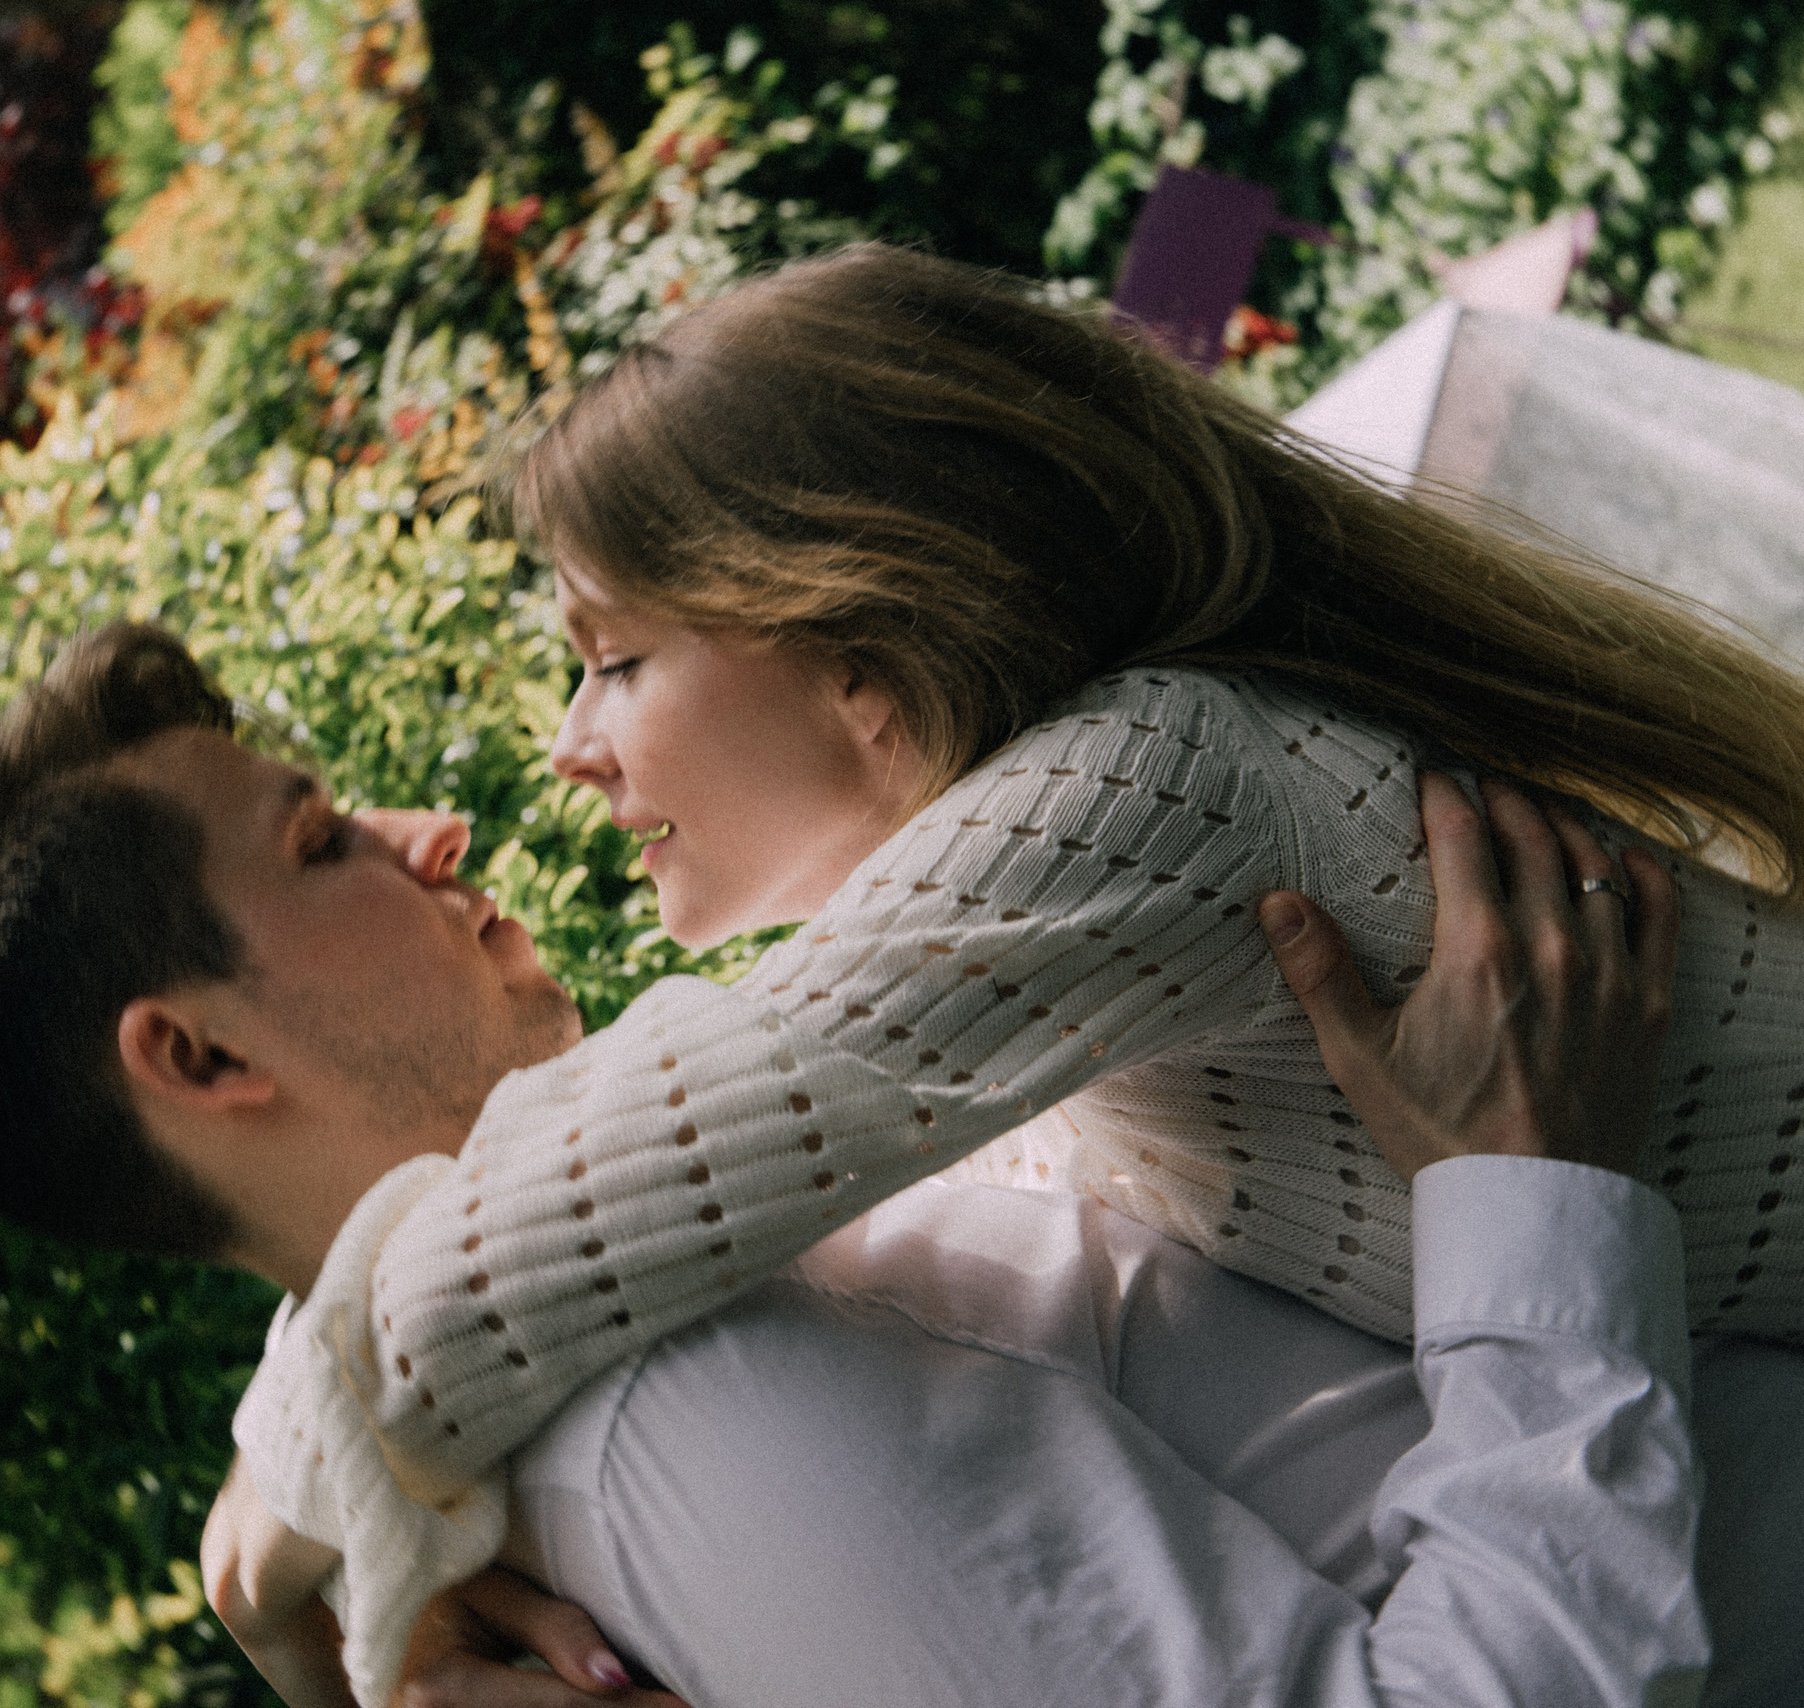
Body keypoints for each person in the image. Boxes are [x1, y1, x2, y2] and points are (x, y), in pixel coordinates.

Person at [228, 244, 1804, 1692]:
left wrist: (271, 1546)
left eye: (616, 660)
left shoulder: (1146, 790)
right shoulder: (1077, 967)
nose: (570, 745)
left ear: (855, 648)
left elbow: (594, 1198)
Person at [0, 624, 1798, 1708]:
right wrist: (1537, 1210)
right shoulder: (683, 1425)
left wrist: (282, 1536)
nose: (434, 829)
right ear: (196, 1056)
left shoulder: (680, 1216)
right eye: (319, 840)